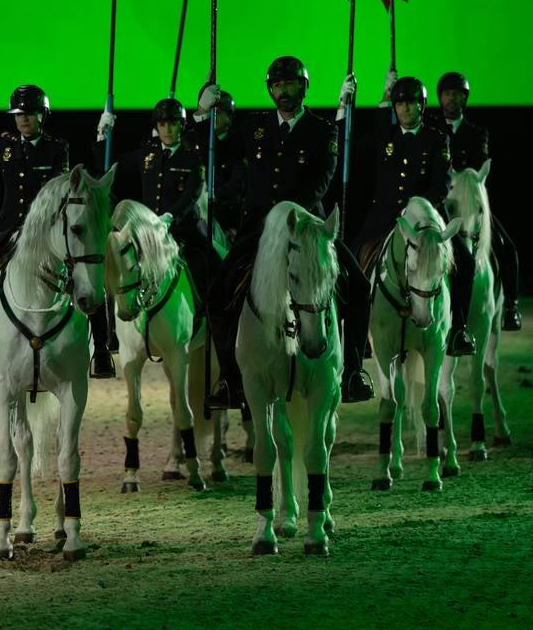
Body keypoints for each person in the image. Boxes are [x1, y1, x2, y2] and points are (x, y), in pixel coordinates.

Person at [202, 55, 373, 408]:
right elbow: (213, 147)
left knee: (358, 286)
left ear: (304, 86)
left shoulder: (323, 131)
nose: (284, 91)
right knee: (219, 290)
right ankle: (230, 380)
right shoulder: (254, 128)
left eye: (290, 84)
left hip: (309, 227)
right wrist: (203, 114)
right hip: (260, 230)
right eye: (277, 86)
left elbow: (322, 180)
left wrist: (290, 216)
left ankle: (354, 371)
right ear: (270, 90)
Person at [0, 85, 115, 385]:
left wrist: (102, 139)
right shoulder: (5, 148)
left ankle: (102, 349)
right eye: (19, 115)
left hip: (46, 233)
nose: (24, 119)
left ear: (43, 115)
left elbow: (66, 184)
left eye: (30, 114)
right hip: (8, 232)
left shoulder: (57, 147)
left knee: (89, 280)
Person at [353, 71, 476, 357]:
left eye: (411, 103)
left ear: (422, 105)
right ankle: (356, 335)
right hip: (385, 215)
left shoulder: (436, 138)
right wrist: (363, 99)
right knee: (354, 253)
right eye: (400, 103)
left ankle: (458, 329)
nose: (405, 108)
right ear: (395, 108)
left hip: (425, 217)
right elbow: (358, 138)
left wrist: (420, 215)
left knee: (466, 262)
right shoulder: (387, 135)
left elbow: (440, 185)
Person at [96, 97, 217, 304]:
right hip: (149, 232)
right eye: (162, 124)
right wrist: (102, 136)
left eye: (172, 124)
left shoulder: (193, 158)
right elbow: (110, 168)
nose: (167, 130)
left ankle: (210, 315)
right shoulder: (147, 155)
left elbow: (191, 195)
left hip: (183, 231)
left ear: (182, 125)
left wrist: (170, 217)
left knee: (208, 266)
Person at [432, 71, 521, 330]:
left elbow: (479, 166)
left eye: (457, 94)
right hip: (441, 203)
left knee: (507, 247)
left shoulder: (477, 133)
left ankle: (511, 305)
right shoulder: (432, 129)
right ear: (440, 98)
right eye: (447, 94)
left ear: (464, 98)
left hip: (468, 202)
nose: (452, 99)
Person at [193, 84, 244, 240]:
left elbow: (238, 183)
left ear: (229, 116)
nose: (213, 116)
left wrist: (214, 197)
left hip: (226, 218)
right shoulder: (195, 142)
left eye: (219, 112)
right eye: (211, 112)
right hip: (198, 215)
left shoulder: (238, 146)